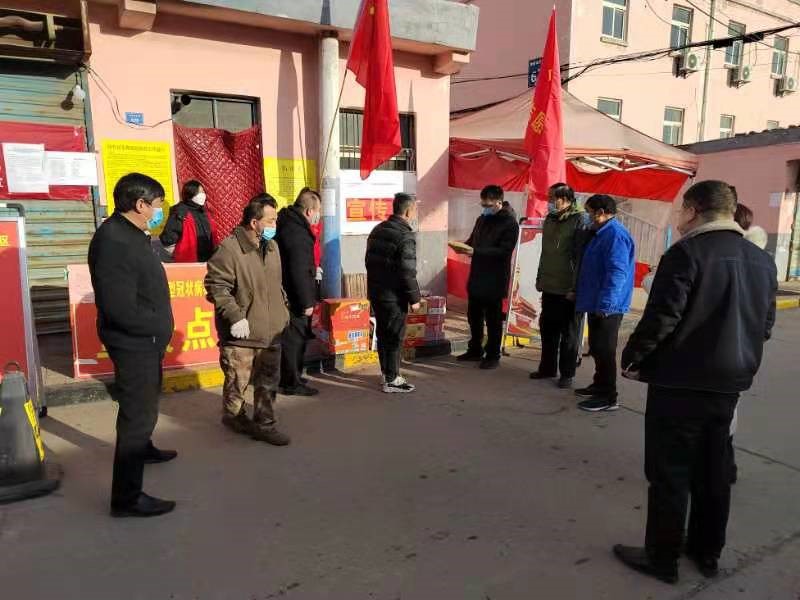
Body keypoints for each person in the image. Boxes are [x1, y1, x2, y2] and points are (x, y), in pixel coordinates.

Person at [614, 180, 777, 583]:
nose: (679, 217)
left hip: (681, 383)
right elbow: (765, 325)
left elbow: (662, 318)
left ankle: (662, 558)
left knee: (670, 472)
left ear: (692, 210)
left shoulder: (686, 253)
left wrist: (633, 357)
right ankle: (707, 551)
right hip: (730, 382)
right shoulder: (761, 260)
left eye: (681, 209)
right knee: (713, 471)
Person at [87, 173, 177, 518]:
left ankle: (144, 448)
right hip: (134, 341)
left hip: (147, 339)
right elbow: (118, 307)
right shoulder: (114, 241)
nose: (160, 212)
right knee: (137, 415)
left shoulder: (133, 234)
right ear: (140, 205)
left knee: (146, 403)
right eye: (157, 205)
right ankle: (127, 498)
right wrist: (155, 327)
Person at [205, 194, 291, 446]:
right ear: (254, 222)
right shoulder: (229, 249)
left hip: (271, 331)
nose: (275, 225)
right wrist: (235, 316)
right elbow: (216, 287)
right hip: (241, 334)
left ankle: (265, 424)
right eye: (271, 220)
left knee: (268, 383)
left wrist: (283, 311)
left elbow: (276, 285)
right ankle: (234, 417)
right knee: (237, 384)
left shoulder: (272, 247)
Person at [574, 194, 635, 412]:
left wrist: (607, 303)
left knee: (605, 349)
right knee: (597, 347)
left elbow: (617, 272)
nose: (587, 216)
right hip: (597, 300)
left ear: (600, 212)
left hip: (608, 305)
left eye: (589, 212)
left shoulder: (615, 235)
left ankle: (608, 397)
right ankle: (599, 385)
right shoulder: (600, 232)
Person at [453, 185, 520, 370]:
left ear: (499, 202)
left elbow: (504, 251)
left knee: (493, 320)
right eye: (482, 204)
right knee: (473, 316)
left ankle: (492, 354)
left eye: (488, 205)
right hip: (477, 275)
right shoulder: (482, 219)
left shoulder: (510, 223)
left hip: (495, 277)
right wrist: (462, 246)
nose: (485, 208)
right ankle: (475, 349)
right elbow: (473, 240)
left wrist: (476, 252)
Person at [530, 183, 590, 388]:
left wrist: (575, 287)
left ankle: (567, 373)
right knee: (548, 328)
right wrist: (540, 277)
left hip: (568, 288)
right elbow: (545, 253)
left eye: (552, 198)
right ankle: (547, 368)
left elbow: (581, 258)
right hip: (550, 284)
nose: (548, 201)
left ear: (565, 199)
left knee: (569, 333)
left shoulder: (580, 220)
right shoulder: (550, 219)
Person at [365, 193, 422, 393]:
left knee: (383, 334)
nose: (415, 213)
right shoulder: (405, 236)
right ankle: (392, 379)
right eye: (415, 209)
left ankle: (386, 373)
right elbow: (407, 271)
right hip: (394, 296)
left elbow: (369, 262)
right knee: (394, 337)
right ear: (408, 211)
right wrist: (415, 298)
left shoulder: (378, 230)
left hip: (377, 292)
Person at [275, 187, 321, 397]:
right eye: (318, 211)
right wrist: (306, 302)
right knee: (295, 339)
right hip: (295, 297)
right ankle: (291, 382)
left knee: (294, 338)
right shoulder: (297, 232)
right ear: (310, 211)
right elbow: (298, 269)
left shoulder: (289, 223)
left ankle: (292, 377)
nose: (318, 216)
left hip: (288, 291)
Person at [159, 180, 218, 262]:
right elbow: (168, 239)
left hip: (208, 260)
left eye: (203, 192)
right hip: (189, 262)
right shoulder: (180, 212)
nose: (203, 194)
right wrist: (180, 254)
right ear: (191, 193)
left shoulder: (204, 211)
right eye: (200, 192)